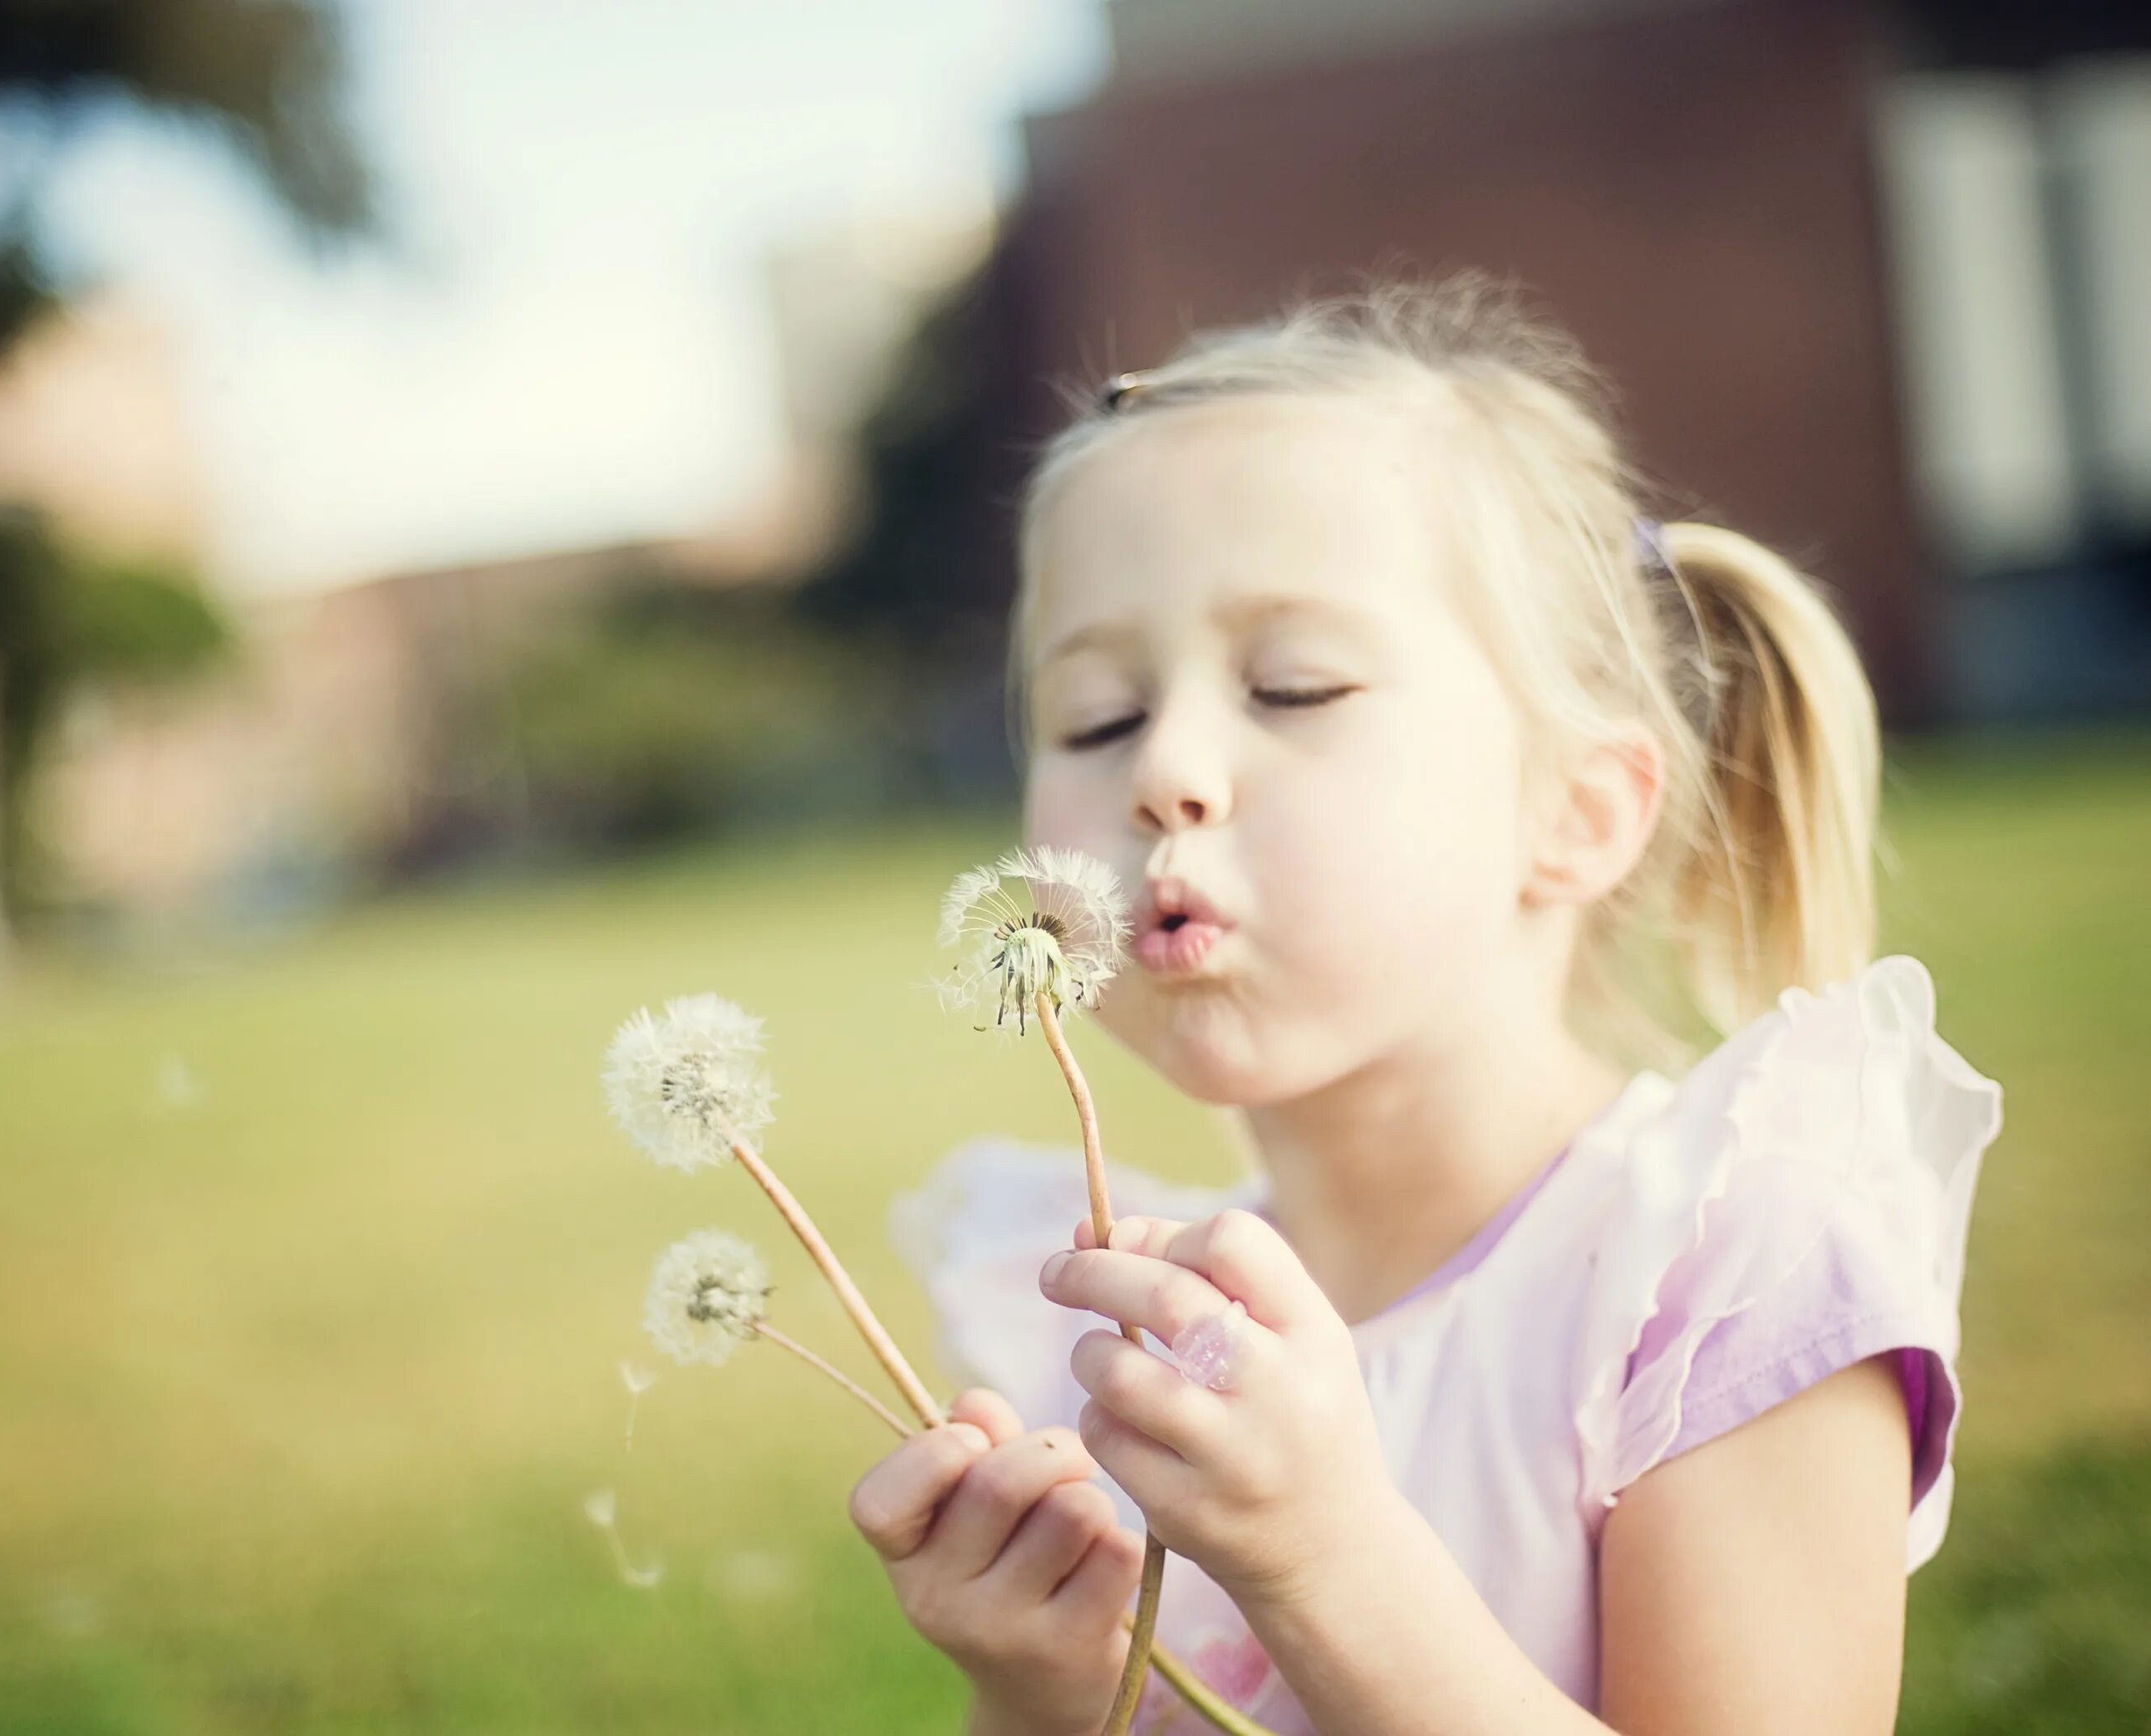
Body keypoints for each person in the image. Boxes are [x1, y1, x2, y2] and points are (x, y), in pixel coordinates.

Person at [846, 275, 2004, 1736]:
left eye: (1297, 686)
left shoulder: (1722, 1273)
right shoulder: (1090, 1336)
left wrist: (1327, 1560)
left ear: (1578, 813)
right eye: (1099, 716)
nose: (1164, 770)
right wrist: (1044, 1693)